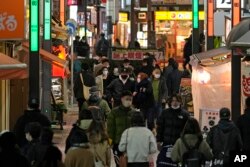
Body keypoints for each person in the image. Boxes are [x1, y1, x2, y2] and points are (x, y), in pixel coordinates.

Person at [156, 95, 189, 166]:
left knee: (176, 163)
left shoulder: (185, 114)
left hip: (178, 144)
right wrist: (158, 140)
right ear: (170, 102)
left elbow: (187, 130)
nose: (175, 102)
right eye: (173, 100)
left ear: (180, 102)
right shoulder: (165, 112)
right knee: (165, 162)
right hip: (166, 143)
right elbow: (160, 127)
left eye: (177, 101)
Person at [107, 91, 135, 167]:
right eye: (127, 99)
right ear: (122, 99)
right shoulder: (114, 112)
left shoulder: (134, 113)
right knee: (119, 164)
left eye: (130, 99)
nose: (128, 101)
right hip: (118, 143)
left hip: (131, 144)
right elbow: (110, 129)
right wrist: (110, 143)